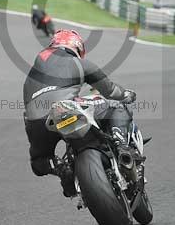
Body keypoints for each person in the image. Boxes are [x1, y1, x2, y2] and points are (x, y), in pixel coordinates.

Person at [22, 29, 137, 196]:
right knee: (116, 107)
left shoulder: (30, 78)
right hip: (66, 108)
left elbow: (27, 114)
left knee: (39, 162)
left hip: (36, 122)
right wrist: (126, 95)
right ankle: (123, 148)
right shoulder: (77, 62)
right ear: (76, 46)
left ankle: (62, 169)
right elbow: (110, 91)